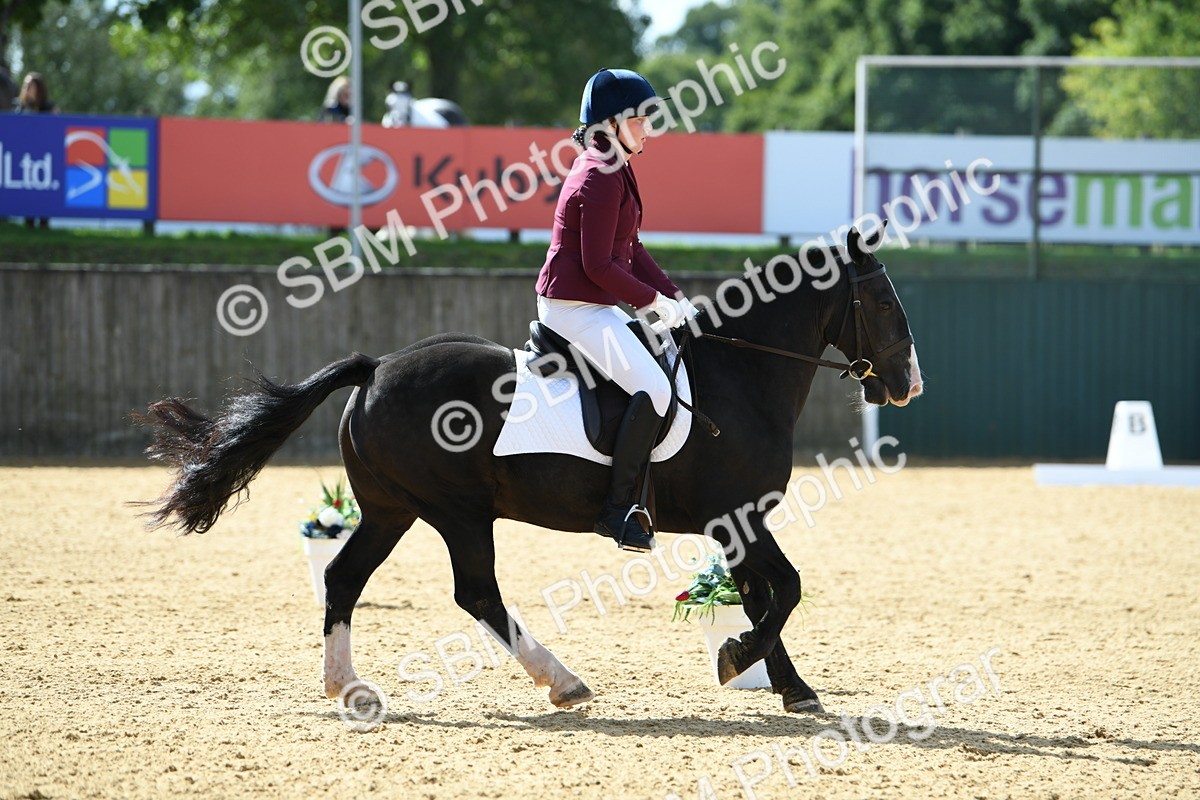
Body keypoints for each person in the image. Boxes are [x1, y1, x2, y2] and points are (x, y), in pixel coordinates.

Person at [534, 68, 698, 553]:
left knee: (662, 364)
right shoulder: (599, 173)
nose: (649, 127)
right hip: (573, 307)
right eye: (642, 118)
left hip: (593, 302)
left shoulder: (614, 164)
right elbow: (598, 264)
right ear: (615, 121)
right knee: (653, 386)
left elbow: (633, 248)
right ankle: (618, 510)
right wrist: (651, 303)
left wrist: (674, 296)